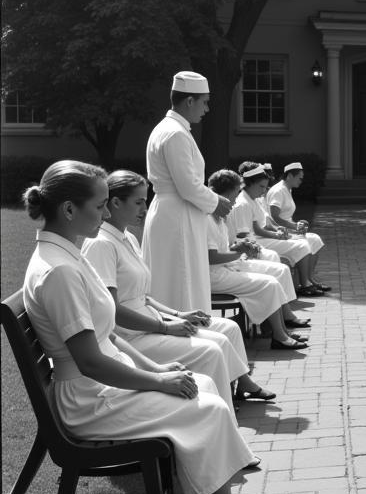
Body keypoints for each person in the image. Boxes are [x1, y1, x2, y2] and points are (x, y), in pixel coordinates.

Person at [22, 161, 282, 494]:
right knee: (206, 407)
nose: (106, 212)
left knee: (206, 384)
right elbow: (90, 361)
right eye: (99, 205)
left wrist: (157, 368)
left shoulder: (69, 255)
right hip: (88, 399)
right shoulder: (58, 270)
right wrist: (158, 381)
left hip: (102, 383)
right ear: (69, 210)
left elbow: (106, 335)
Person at [82, 170, 276, 410]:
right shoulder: (101, 244)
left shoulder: (128, 238)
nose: (145, 207)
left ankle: (234, 393)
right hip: (133, 335)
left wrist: (179, 314)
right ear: (115, 202)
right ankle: (218, 412)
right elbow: (113, 311)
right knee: (212, 350)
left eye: (146, 200)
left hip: (152, 322)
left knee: (229, 329)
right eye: (139, 202)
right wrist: (165, 327)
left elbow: (143, 296)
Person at [141, 71, 233, 314]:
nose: (207, 108)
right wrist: (216, 202)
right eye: (204, 102)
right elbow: (188, 186)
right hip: (177, 216)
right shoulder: (175, 134)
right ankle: (186, 330)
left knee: (175, 276)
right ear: (189, 101)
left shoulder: (171, 129)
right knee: (181, 278)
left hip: (173, 212)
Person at [208, 170, 310, 350]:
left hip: (229, 266)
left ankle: (280, 330)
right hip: (215, 275)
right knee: (269, 282)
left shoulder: (219, 216)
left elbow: (226, 246)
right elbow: (212, 257)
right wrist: (240, 252)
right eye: (233, 196)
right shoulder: (208, 219)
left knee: (276, 274)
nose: (234, 201)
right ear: (223, 195)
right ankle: (279, 335)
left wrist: (239, 248)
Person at [231, 162, 322, 297]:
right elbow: (254, 231)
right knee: (302, 245)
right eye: (262, 186)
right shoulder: (243, 203)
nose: (264, 191)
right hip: (256, 241)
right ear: (250, 183)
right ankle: (303, 285)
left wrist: (278, 230)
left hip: (260, 239)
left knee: (310, 241)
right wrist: (277, 235)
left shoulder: (254, 199)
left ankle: (305, 282)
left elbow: (266, 221)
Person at [266, 162, 329, 291]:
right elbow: (275, 217)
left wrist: (297, 225)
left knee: (315, 239)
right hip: (279, 231)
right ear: (289, 176)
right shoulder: (278, 191)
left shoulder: (287, 189)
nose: (301, 180)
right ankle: (304, 284)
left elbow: (285, 215)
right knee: (305, 242)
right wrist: (294, 227)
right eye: (299, 177)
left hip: (288, 229)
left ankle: (310, 279)